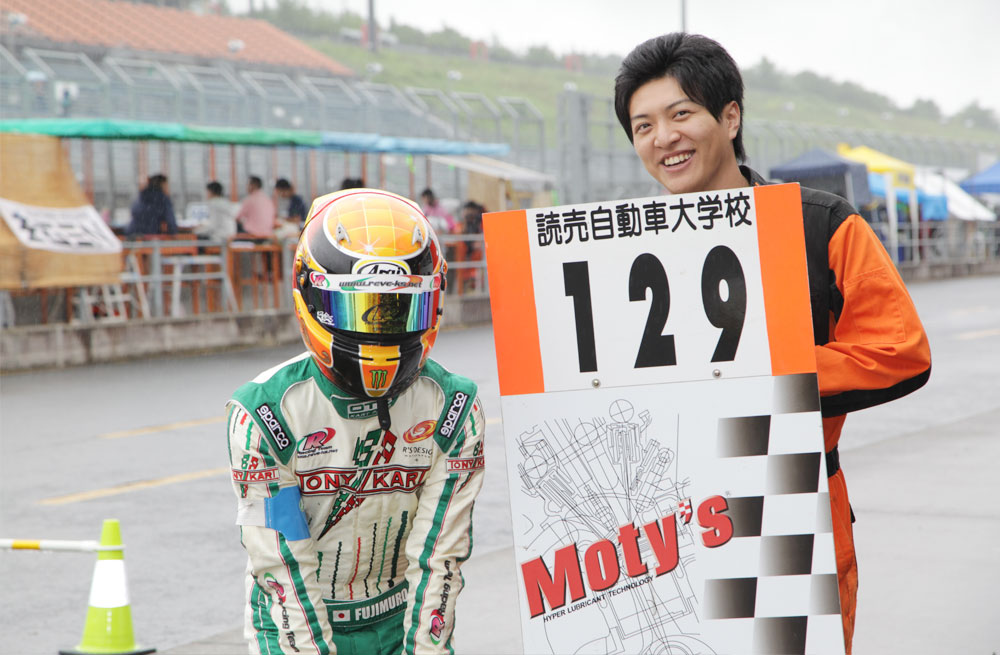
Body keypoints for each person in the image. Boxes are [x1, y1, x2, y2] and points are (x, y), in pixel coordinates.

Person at [614, 33, 931, 653]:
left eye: (681, 114)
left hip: (795, 503)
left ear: (730, 117)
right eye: (643, 125)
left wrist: (760, 378)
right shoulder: (614, 249)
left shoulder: (820, 224)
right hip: (662, 525)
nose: (663, 138)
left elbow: (899, 351)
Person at [226, 188, 485, 655]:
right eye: (360, 307)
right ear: (311, 298)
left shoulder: (453, 409)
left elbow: (439, 559)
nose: (378, 329)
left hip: (401, 617)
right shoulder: (266, 413)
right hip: (292, 621)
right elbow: (283, 567)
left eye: (398, 309)